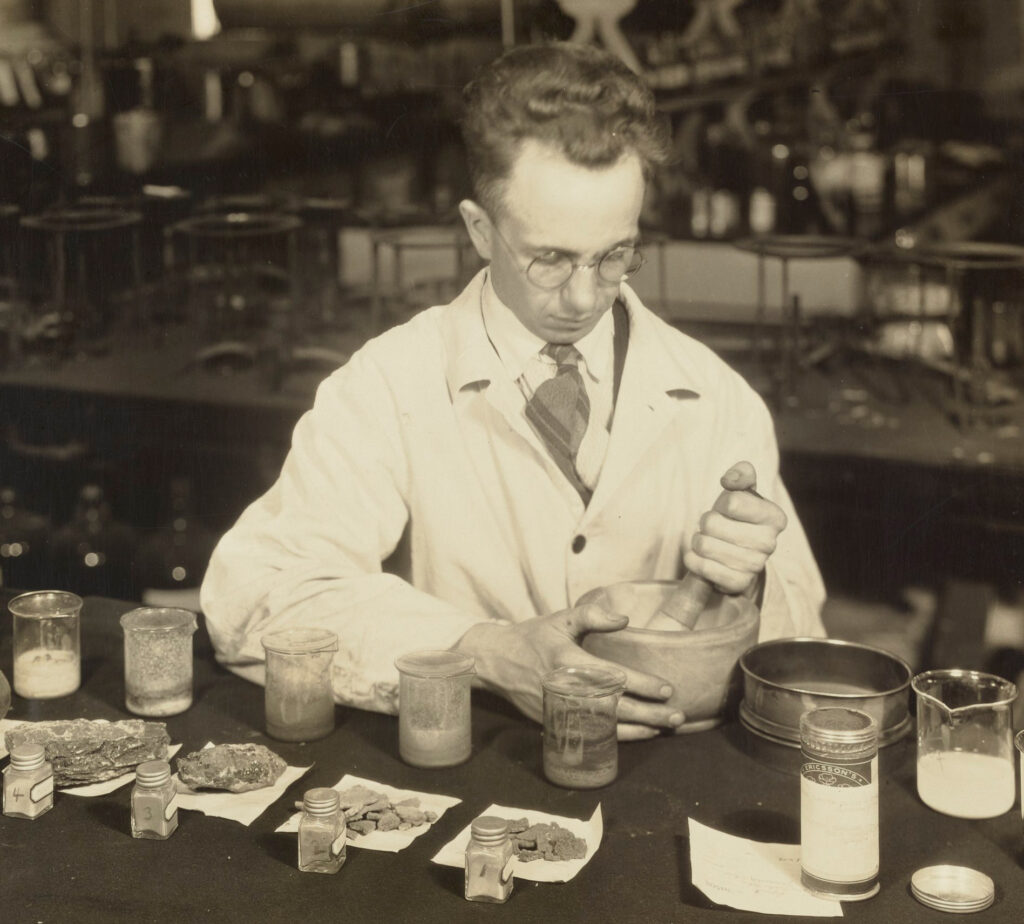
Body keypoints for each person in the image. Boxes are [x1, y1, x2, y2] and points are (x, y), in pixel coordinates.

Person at [200, 41, 826, 741]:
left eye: (615, 254)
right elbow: (254, 600)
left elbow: (806, 650)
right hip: (470, 765)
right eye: (550, 259)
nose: (584, 297)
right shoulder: (389, 382)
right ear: (480, 230)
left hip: (658, 784)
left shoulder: (714, 395)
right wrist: (482, 653)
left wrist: (749, 591)